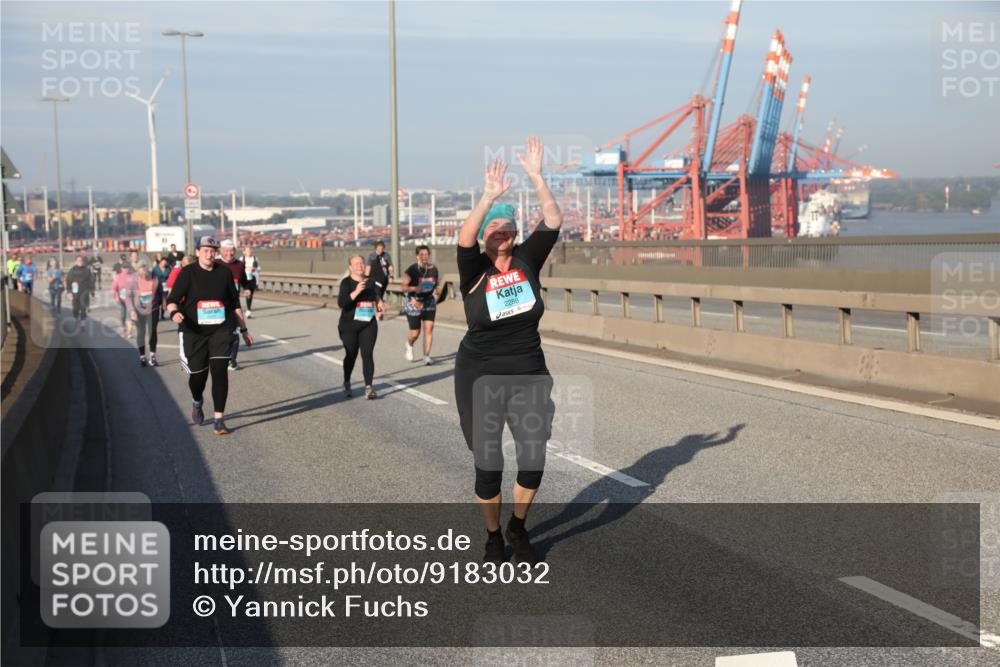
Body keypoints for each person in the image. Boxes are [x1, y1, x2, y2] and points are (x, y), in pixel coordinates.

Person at [454, 138, 563, 565]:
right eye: (496, 229)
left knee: (533, 456)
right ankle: (493, 534)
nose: (503, 234)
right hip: (479, 373)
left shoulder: (527, 260)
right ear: (486, 236)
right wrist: (488, 198)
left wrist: (536, 176)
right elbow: (464, 238)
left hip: (528, 370)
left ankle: (518, 526)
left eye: (509, 228)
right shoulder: (473, 268)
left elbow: (552, 220)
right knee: (490, 463)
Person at [165, 236, 253, 436]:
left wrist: (244, 330)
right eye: (205, 250)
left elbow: (234, 304)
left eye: (213, 250)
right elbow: (172, 299)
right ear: (197, 252)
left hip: (221, 330)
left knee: (220, 371)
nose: (209, 253)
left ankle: (219, 419)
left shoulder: (225, 273)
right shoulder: (188, 273)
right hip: (194, 332)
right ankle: (197, 401)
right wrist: (174, 313)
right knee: (198, 377)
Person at [338, 255, 385, 400]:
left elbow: (376, 295)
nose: (360, 266)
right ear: (351, 267)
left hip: (368, 323)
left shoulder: (371, 281)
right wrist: (357, 291)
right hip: (349, 326)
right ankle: (346, 381)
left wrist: (380, 302)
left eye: (362, 263)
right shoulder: (346, 283)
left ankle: (369, 387)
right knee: (351, 355)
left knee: (367, 354)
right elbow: (342, 303)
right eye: (356, 264)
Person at [401, 245, 441, 365]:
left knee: (429, 329)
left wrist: (437, 289)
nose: (424, 257)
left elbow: (435, 284)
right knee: (415, 332)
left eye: (426, 254)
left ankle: (426, 356)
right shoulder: (411, 270)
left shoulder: (434, 269)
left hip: (429, 302)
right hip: (414, 302)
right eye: (422, 254)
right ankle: (409, 344)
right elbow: (403, 287)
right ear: (417, 255)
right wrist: (415, 288)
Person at [215, 239, 249, 370]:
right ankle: (216, 357)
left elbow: (244, 279)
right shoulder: (215, 263)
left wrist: (247, 288)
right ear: (221, 251)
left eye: (232, 251)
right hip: (217, 304)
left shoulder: (239, 265)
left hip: (234, 303)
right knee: (218, 334)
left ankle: (232, 359)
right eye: (226, 251)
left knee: (234, 334)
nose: (229, 254)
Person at [127, 260, 163, 367]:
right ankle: (142, 356)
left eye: (145, 275)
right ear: (137, 271)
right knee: (141, 332)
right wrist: (132, 310)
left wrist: (162, 304)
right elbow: (128, 296)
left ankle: (153, 356)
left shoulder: (155, 277)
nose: (143, 277)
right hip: (139, 310)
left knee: (152, 332)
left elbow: (161, 292)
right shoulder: (133, 279)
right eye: (141, 275)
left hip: (153, 308)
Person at [65, 255, 94, 330]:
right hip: (75, 292)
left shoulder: (87, 270)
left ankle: (83, 324)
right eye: (78, 261)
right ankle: (76, 319)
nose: (80, 262)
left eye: (81, 261)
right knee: (75, 308)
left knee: (83, 308)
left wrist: (92, 290)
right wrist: (68, 292)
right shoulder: (72, 271)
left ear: (83, 262)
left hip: (84, 292)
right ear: (75, 262)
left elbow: (91, 280)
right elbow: (68, 281)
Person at [111, 261, 135, 337]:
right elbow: (114, 287)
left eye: (127, 268)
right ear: (121, 268)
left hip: (130, 300)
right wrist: (114, 294)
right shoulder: (118, 276)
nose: (125, 269)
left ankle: (129, 332)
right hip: (120, 299)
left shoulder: (132, 276)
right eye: (124, 268)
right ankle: (124, 329)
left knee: (129, 315)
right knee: (122, 316)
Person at [241, 246, 261, 318]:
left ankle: (248, 309)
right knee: (248, 293)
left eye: (250, 250)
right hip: (245, 278)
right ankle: (248, 311)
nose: (249, 252)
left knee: (251, 294)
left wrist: (254, 268)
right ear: (244, 252)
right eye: (247, 250)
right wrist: (245, 268)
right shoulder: (241, 259)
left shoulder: (255, 258)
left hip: (253, 278)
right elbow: (239, 268)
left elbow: (259, 268)